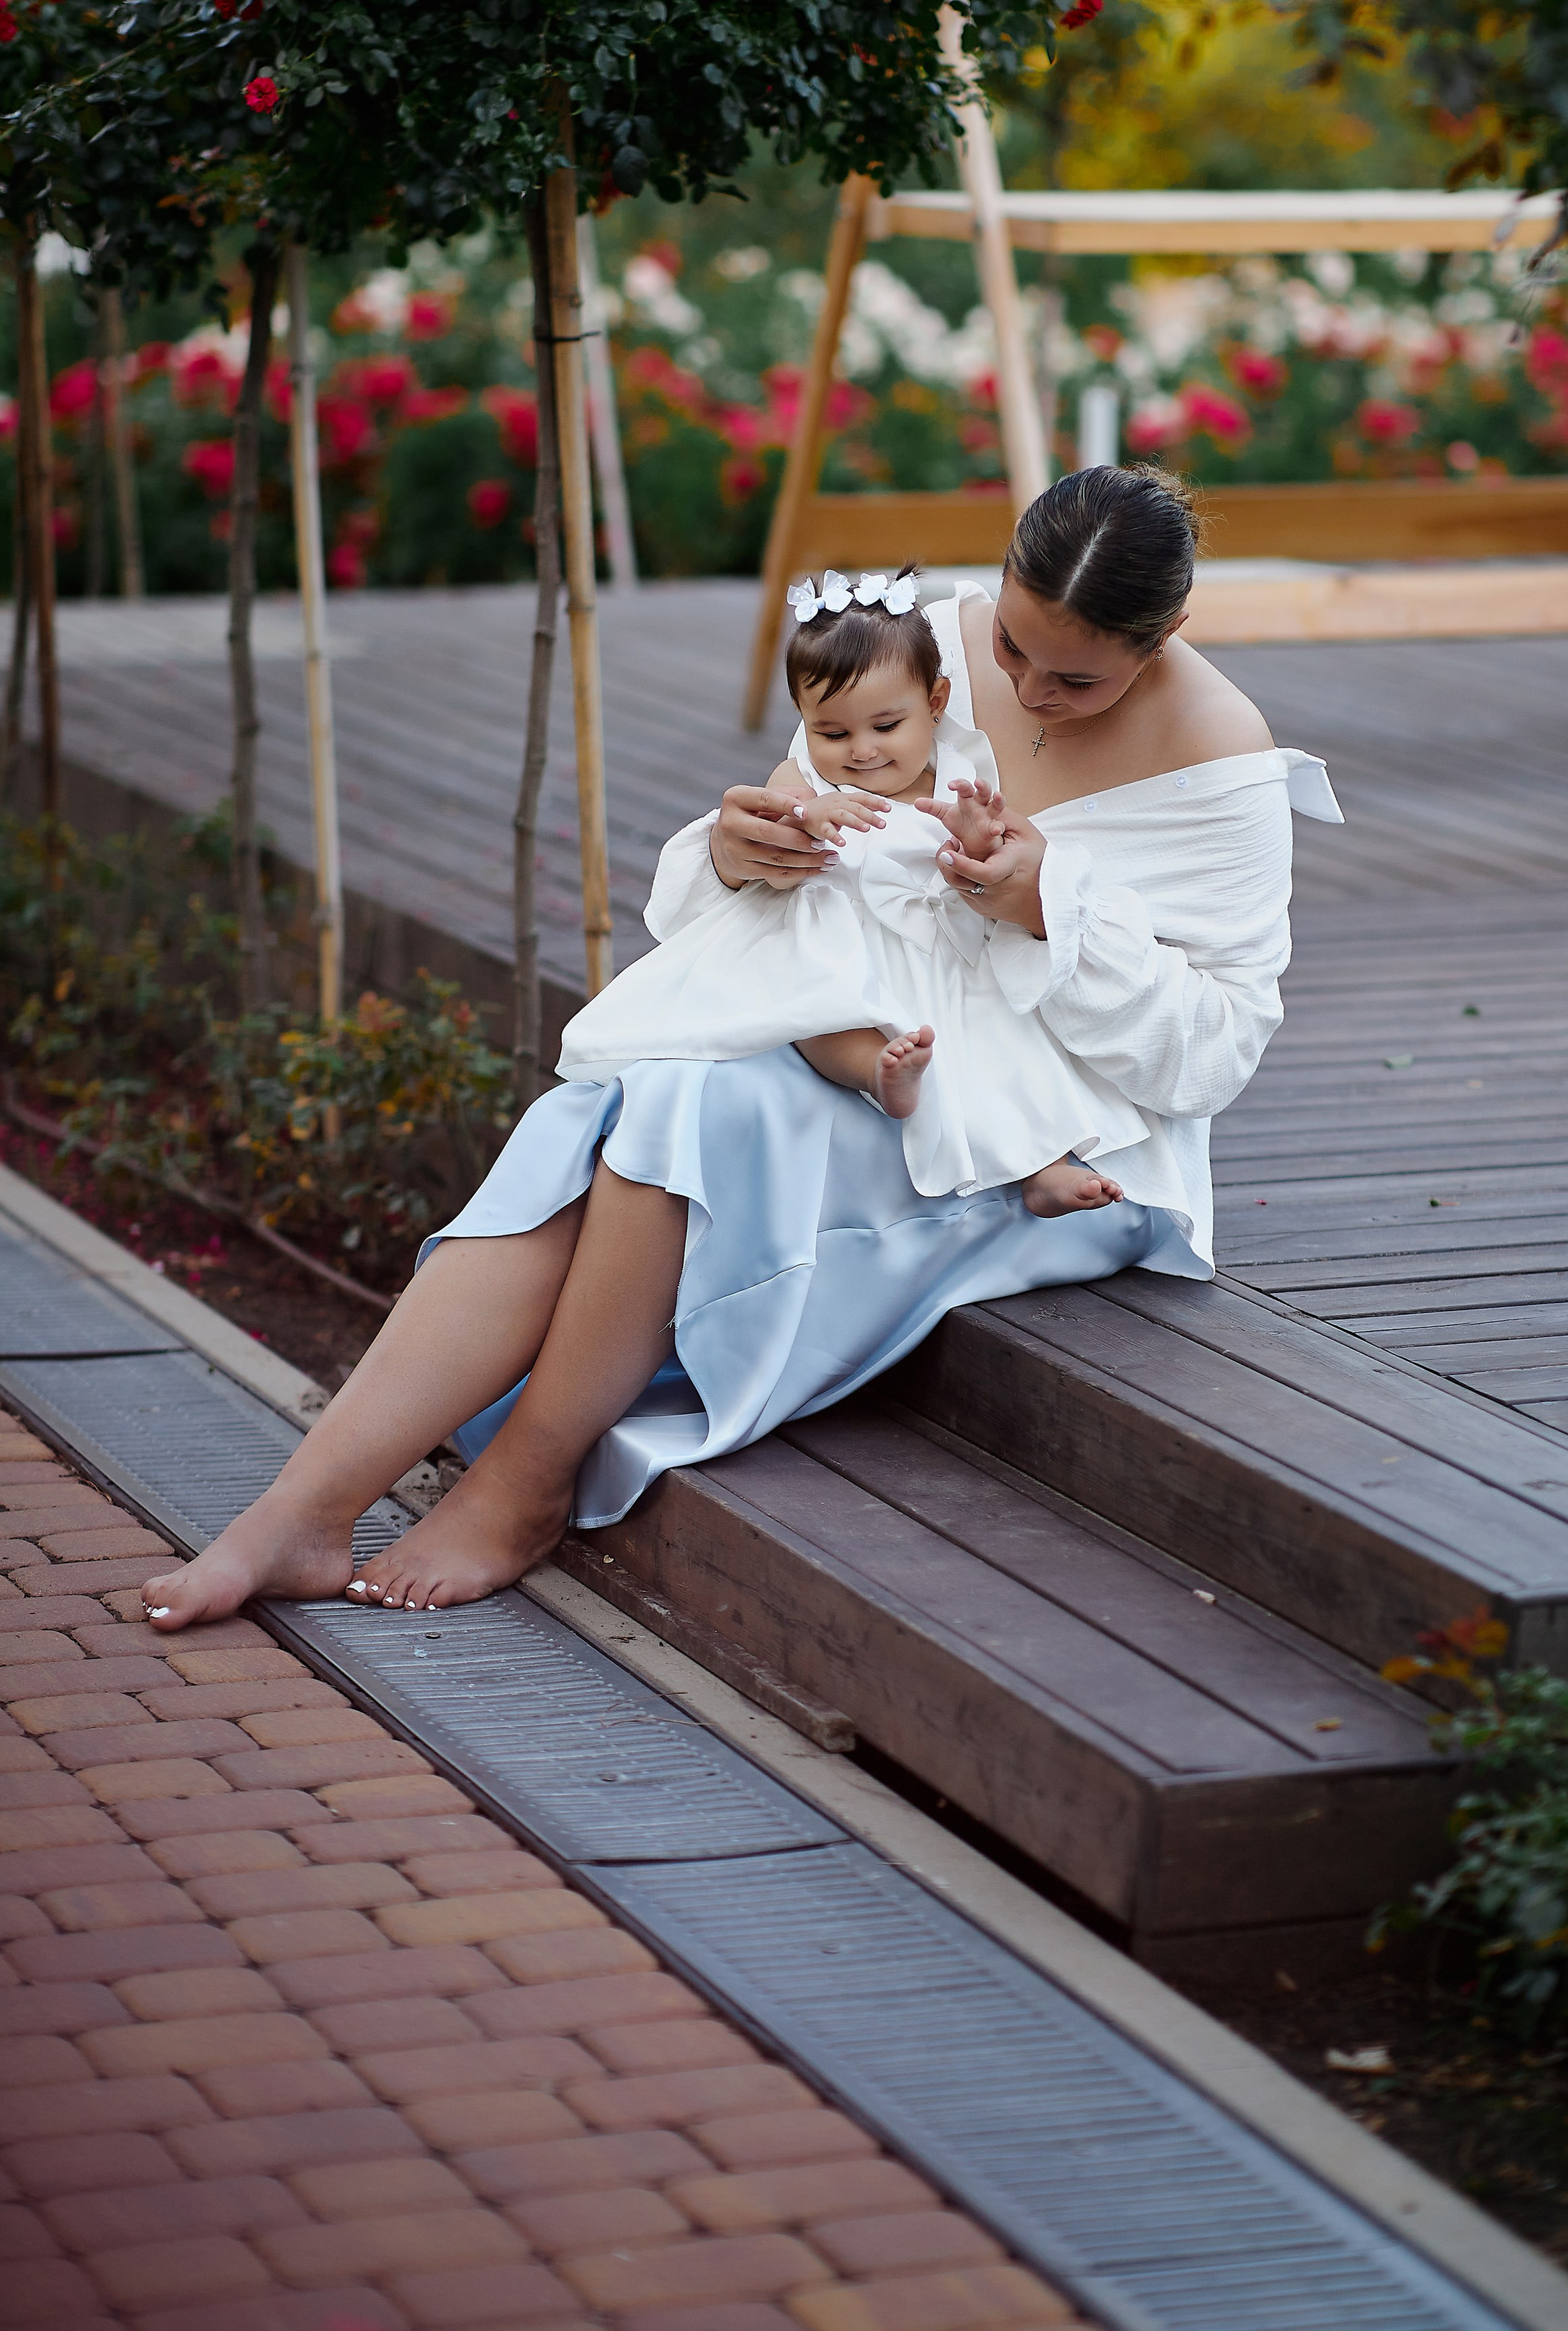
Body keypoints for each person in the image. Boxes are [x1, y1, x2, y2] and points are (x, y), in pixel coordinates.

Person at [140, 465, 1340, 1631]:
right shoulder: (928, 640)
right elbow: (826, 803)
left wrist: (1051, 907)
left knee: (687, 1113)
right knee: (616, 1104)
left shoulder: (1220, 758)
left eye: (1071, 679)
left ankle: (521, 1486)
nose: (1020, 688)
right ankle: (301, 1511)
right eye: (1012, 648)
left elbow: (1215, 1055)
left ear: (1167, 631)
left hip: (1057, 1124)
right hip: (865, 1014)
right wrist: (749, 845)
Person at [555, 563, 1144, 1215]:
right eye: (833, 732)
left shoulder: (959, 767)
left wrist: (979, 838)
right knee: (816, 1001)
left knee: (1005, 1037)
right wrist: (806, 814)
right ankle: (874, 1070)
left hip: (936, 944)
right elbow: (778, 811)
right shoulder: (805, 770)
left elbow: (992, 846)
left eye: (885, 727)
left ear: (936, 703)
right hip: (837, 926)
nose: (860, 751)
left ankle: (1046, 1163)